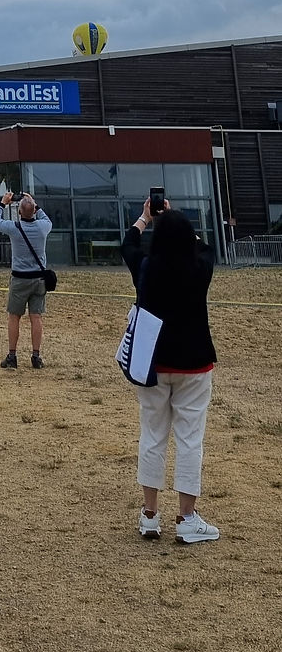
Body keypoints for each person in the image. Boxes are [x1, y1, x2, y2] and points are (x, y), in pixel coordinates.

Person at [122, 197, 219, 543]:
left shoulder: (147, 267)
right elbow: (207, 248)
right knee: (190, 439)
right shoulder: (201, 267)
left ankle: (150, 514)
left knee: (152, 435)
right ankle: (187, 517)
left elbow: (127, 245)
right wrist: (178, 222)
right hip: (194, 363)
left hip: (153, 363)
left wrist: (146, 219)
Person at [0, 192, 53, 368]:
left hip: (20, 278)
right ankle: (36, 356)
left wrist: (2, 203)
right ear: (34, 211)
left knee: (14, 316)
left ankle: (12, 356)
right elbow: (47, 219)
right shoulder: (43, 227)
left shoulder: (14, 228)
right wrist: (34, 203)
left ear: (19, 213)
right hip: (39, 279)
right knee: (36, 317)